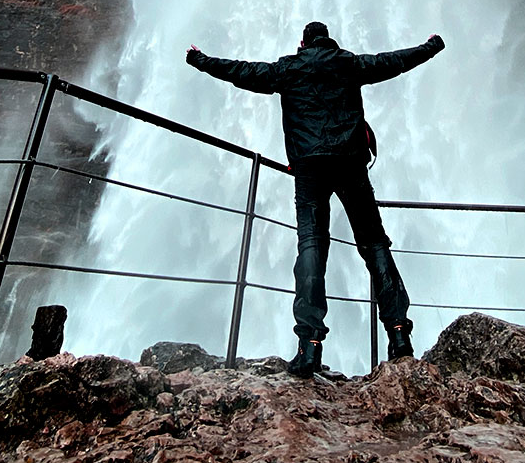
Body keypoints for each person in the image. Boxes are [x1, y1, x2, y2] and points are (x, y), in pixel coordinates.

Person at [186, 21, 445, 377]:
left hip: (309, 168)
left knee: (311, 247)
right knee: (374, 244)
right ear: (328, 39)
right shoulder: (348, 63)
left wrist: (200, 60)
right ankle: (399, 334)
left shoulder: (288, 68)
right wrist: (430, 46)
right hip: (351, 164)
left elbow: (241, 72)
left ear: (303, 43)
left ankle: (309, 346)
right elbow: (394, 61)